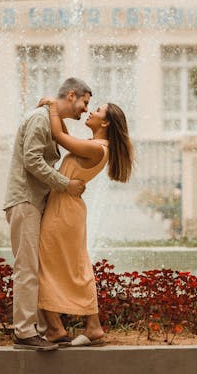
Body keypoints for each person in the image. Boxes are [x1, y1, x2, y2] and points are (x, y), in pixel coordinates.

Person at [3, 77, 92, 351]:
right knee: (27, 267)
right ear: (72, 95)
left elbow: (63, 140)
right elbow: (32, 160)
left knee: (37, 267)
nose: (86, 110)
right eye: (84, 103)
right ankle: (24, 331)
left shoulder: (48, 119)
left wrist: (54, 106)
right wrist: (67, 185)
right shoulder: (39, 119)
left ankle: (42, 330)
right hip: (25, 201)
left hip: (34, 203)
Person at [37, 98, 134, 347]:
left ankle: (60, 328)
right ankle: (90, 326)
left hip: (64, 211)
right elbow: (66, 137)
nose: (91, 111)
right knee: (74, 266)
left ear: (106, 122)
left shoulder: (98, 148)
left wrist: (53, 108)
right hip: (68, 209)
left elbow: (58, 136)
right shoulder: (96, 146)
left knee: (45, 264)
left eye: (98, 110)